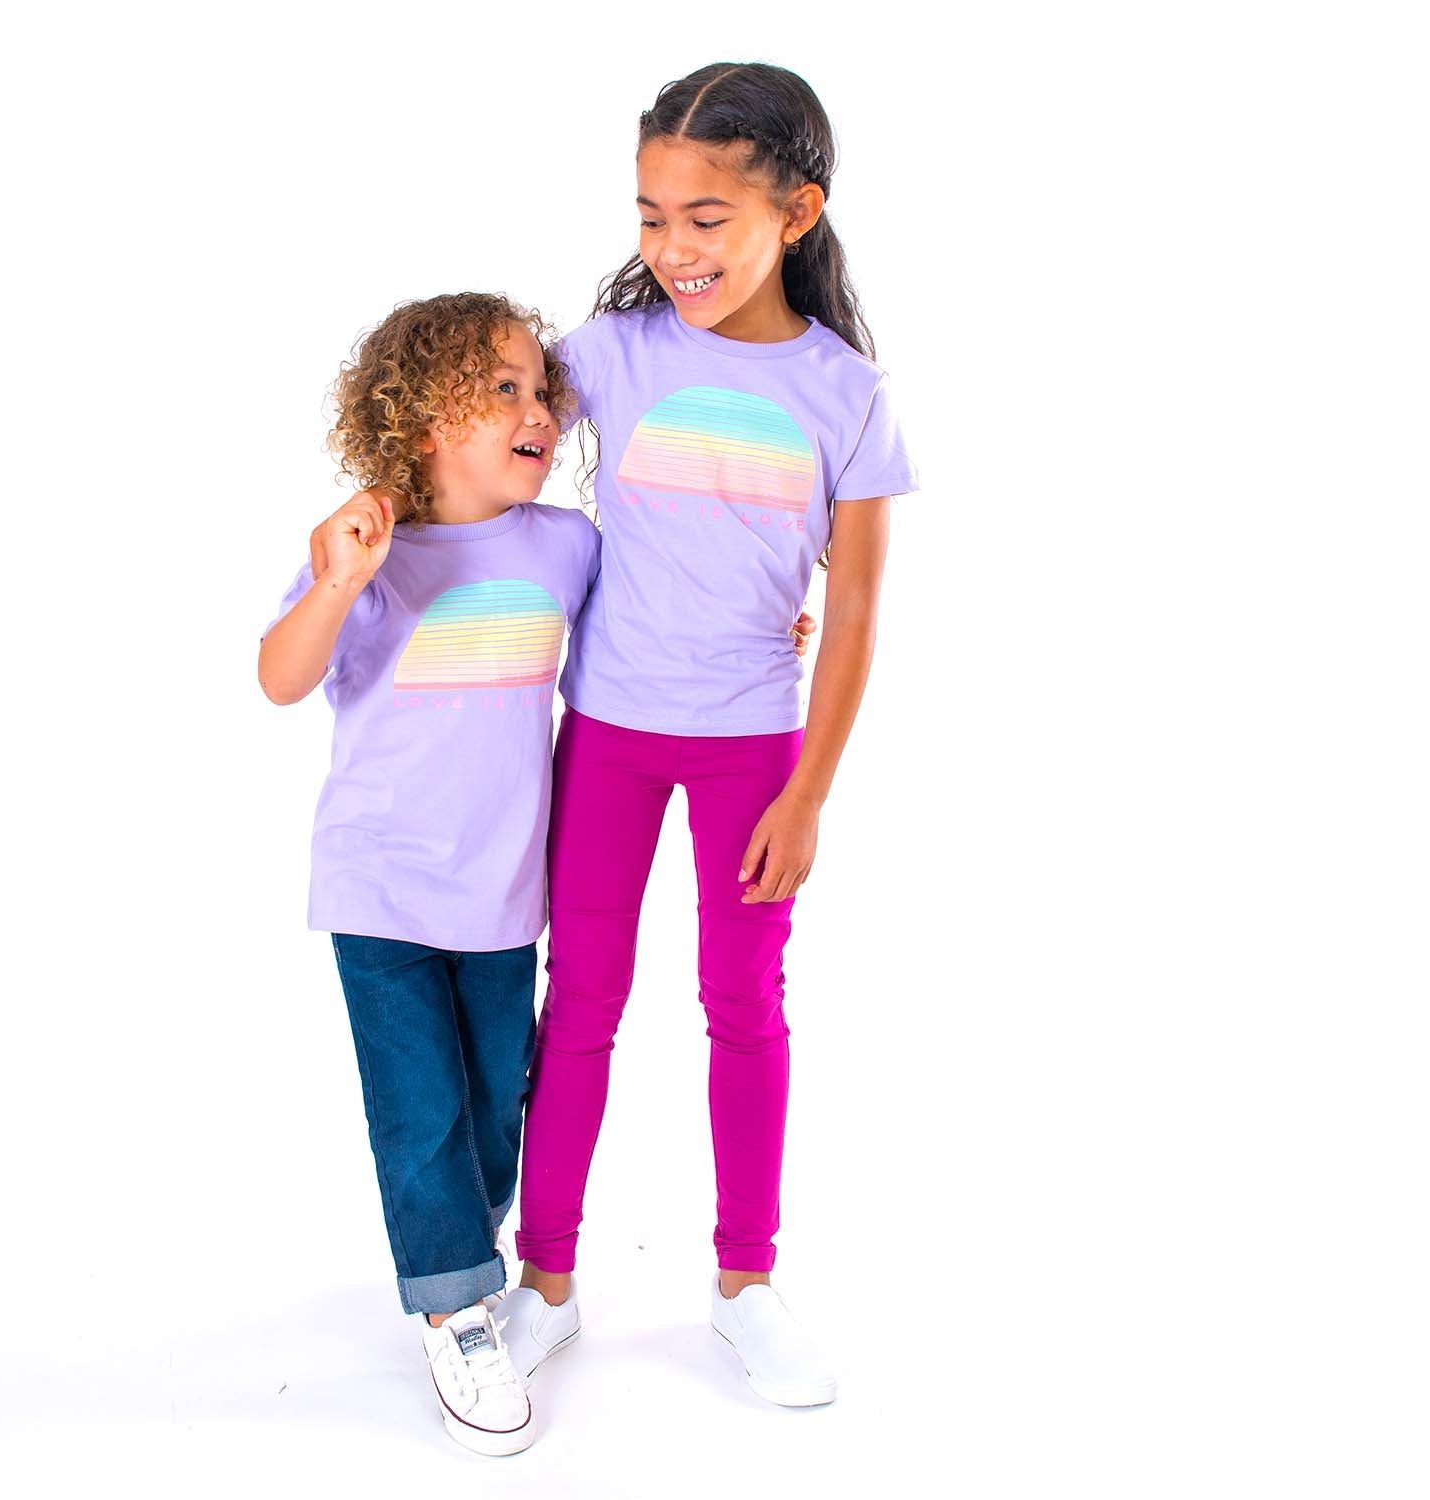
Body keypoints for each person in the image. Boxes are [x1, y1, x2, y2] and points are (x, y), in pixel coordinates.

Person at [500, 63, 920, 1410]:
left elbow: (851, 612)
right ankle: (546, 1281)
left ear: (796, 212)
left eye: (707, 219)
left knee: (745, 1009)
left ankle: (748, 1286)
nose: (672, 248)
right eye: (651, 214)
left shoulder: (846, 393)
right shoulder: (612, 355)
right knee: (583, 1009)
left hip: (753, 753)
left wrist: (808, 793)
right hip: (608, 734)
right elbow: (494, 458)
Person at [257, 292, 599, 1457]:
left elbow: (631, 655)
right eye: (500, 387)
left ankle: (464, 1250)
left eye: (541, 389)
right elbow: (280, 676)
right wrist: (340, 581)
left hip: (506, 897)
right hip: (382, 890)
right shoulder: (370, 546)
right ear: (419, 416)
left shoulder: (568, 547)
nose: (535, 409)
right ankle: (453, 1306)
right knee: (419, 1115)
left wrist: (765, 634)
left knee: (494, 1105)